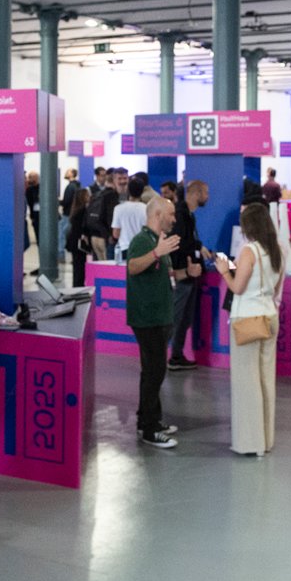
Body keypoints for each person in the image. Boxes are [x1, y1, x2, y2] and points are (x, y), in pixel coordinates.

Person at [216, 202, 284, 457]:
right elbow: (274, 288)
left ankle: (250, 443)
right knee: (266, 379)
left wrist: (224, 272)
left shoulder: (248, 250)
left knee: (246, 382)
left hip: (247, 319)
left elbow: (238, 287)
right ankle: (265, 440)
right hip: (269, 315)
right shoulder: (277, 250)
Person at [125, 195, 181, 449]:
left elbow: (162, 274)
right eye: (171, 214)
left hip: (159, 316)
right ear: (157, 215)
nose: (174, 219)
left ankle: (149, 420)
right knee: (154, 372)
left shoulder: (157, 241)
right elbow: (133, 266)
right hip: (147, 318)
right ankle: (149, 428)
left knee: (153, 371)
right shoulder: (142, 241)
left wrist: (184, 272)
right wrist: (157, 252)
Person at [167, 180, 210, 372]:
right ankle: (161, 356)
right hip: (182, 274)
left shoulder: (188, 216)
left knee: (185, 319)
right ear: (196, 193)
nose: (207, 197)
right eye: (206, 193)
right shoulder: (181, 215)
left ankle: (176, 356)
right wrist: (197, 246)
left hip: (190, 274)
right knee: (176, 317)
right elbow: (178, 243)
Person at [111, 176, 148, 261]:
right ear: (142, 191)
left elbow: (116, 234)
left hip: (125, 247)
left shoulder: (118, 208)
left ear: (128, 190)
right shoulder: (147, 208)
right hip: (142, 248)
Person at [65, 187, 92, 287]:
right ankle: (78, 286)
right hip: (79, 243)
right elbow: (80, 228)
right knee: (79, 267)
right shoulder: (83, 211)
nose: (89, 197)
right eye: (87, 195)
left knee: (77, 267)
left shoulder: (75, 210)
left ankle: (76, 286)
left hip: (74, 242)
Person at [58, 168, 80, 260]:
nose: (66, 172)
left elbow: (67, 201)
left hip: (67, 214)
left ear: (72, 174)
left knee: (61, 234)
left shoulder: (70, 187)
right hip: (73, 214)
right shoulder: (77, 186)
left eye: (68, 171)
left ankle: (60, 254)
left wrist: (58, 202)